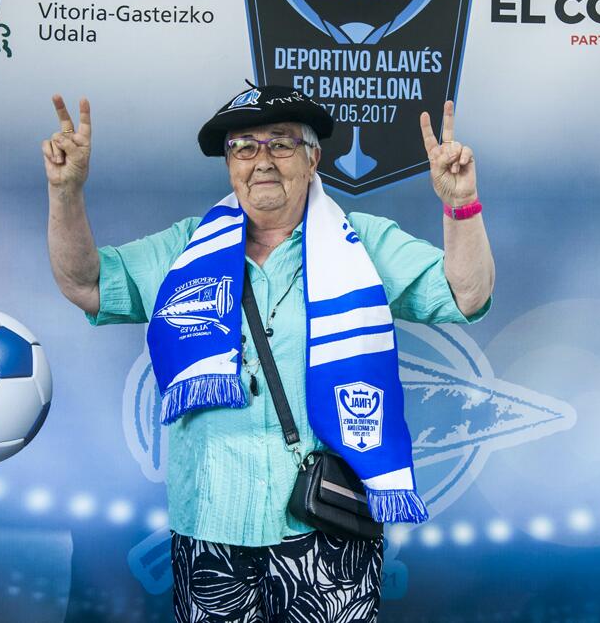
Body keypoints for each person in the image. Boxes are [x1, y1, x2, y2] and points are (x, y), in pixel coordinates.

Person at [43, 85, 494, 622]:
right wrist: (65, 193)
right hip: (212, 532)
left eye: (280, 144)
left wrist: (461, 204)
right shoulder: (185, 250)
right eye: (244, 147)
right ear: (230, 164)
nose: (262, 162)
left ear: (313, 158)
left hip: (326, 528)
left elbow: (468, 294)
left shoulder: (363, 244)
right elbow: (85, 283)